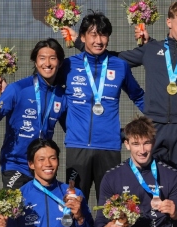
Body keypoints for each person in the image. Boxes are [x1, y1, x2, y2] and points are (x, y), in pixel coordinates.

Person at [62, 1, 177, 196]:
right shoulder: (150, 49)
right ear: (169, 22)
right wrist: (81, 43)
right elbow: (112, 56)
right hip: (152, 127)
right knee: (148, 182)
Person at [59, 12, 145, 204]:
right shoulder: (68, 66)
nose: (99, 40)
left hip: (109, 147)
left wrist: (161, 119)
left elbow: (138, 96)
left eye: (103, 35)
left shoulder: (120, 66)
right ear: (82, 37)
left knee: (111, 207)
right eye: (93, 34)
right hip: (77, 147)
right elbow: (49, 90)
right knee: (73, 206)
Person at [0, 38, 67, 189]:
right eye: (42, 58)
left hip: (43, 166)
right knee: (16, 209)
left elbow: (71, 127)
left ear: (60, 63)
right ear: (35, 62)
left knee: (39, 211)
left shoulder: (61, 96)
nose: (47, 63)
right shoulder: (17, 89)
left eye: (53, 58)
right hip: (16, 164)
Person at [96, 116, 177, 227]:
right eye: (136, 144)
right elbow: (100, 221)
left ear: (153, 142)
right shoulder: (112, 177)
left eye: (146, 143)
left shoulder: (170, 175)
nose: (142, 150)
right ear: (127, 144)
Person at [0, 138, 95, 227]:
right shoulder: (18, 197)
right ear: (31, 164)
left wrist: (80, 218)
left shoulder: (74, 194)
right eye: (41, 159)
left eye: (53, 158)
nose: (48, 164)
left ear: (58, 161)